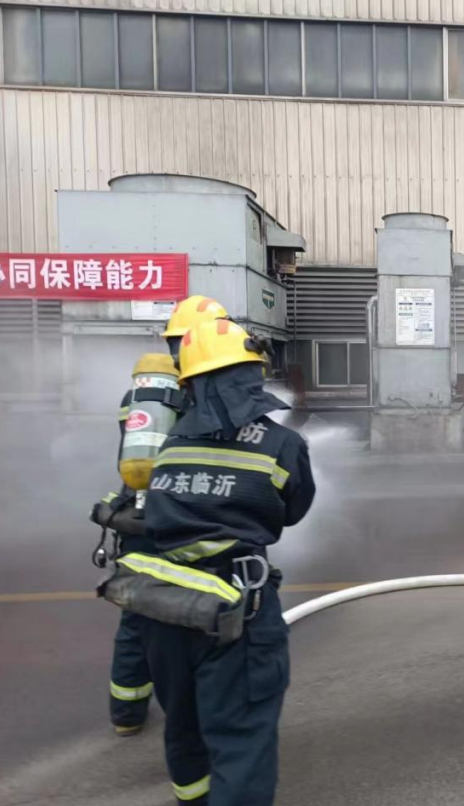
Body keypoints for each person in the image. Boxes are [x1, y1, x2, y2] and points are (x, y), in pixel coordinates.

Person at [140, 318, 315, 805]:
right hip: (237, 611)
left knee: (184, 723)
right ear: (252, 373)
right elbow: (293, 511)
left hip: (165, 607)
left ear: (189, 382)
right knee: (241, 739)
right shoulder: (282, 443)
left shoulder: (172, 441)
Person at [95, 295, 230, 737]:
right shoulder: (204, 394)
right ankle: (201, 715)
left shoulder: (141, 395)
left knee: (138, 614)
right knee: (202, 611)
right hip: (185, 519)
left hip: (137, 514)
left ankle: (126, 713)